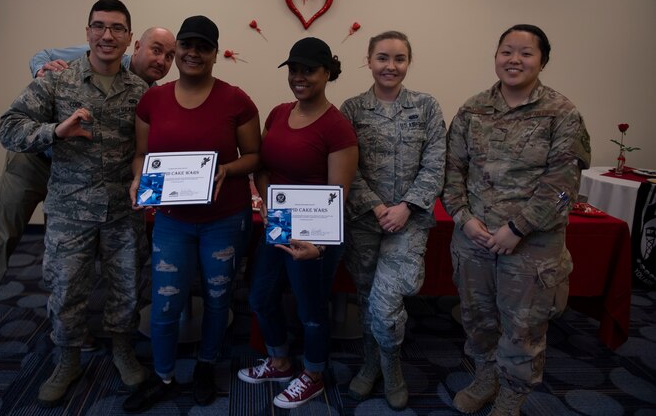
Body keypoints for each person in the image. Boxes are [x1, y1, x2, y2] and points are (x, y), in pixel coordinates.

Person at [0, 26, 174, 356]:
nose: (161, 60)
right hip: (36, 160)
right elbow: (41, 56)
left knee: (71, 250)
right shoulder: (103, 50)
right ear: (137, 45)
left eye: (169, 56)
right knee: (4, 234)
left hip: (82, 175)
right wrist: (44, 73)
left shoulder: (148, 93)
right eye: (156, 50)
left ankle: (68, 324)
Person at [0, 0, 149, 407]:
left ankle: (122, 349)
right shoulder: (57, 80)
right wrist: (55, 131)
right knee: (66, 290)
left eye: (117, 28)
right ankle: (66, 359)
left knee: (127, 288)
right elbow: (9, 127)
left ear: (129, 38)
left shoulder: (141, 91)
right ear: (87, 32)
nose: (107, 35)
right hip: (69, 208)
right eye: (99, 26)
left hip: (123, 209)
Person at [442, 24, 591, 416]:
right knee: (478, 319)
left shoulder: (562, 113)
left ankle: (511, 396)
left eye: (526, 53)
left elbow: (563, 186)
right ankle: (485, 376)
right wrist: (463, 218)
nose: (514, 60)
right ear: (495, 56)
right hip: (474, 239)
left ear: (542, 60)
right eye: (507, 51)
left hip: (530, 247)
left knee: (523, 329)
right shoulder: (472, 109)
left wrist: (517, 229)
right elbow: (451, 171)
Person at [123, 15, 261, 412]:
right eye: (187, 45)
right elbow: (141, 157)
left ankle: (206, 365)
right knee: (165, 301)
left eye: (204, 47)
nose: (193, 53)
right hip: (171, 220)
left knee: (219, 298)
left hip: (224, 217)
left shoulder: (236, 99)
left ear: (216, 54)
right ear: (176, 50)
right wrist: (138, 179)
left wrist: (226, 169)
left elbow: (254, 156)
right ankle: (163, 375)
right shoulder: (153, 100)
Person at [237, 37, 358, 410]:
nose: (299, 77)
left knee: (311, 310)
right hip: (279, 224)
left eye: (308, 70)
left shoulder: (337, 128)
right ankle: (279, 361)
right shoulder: (277, 113)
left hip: (316, 236)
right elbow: (263, 167)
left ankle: (314, 374)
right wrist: (267, 199)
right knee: (260, 297)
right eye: (293, 69)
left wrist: (319, 246)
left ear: (327, 73)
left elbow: (339, 193)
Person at [340, 31, 446, 408]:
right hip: (365, 221)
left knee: (386, 304)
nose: (391, 66)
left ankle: (391, 366)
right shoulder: (351, 110)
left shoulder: (427, 107)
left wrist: (406, 207)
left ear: (408, 63)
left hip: (410, 221)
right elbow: (343, 167)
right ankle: (370, 365)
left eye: (399, 59)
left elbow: (436, 163)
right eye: (383, 58)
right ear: (368, 61)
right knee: (368, 298)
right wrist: (375, 206)